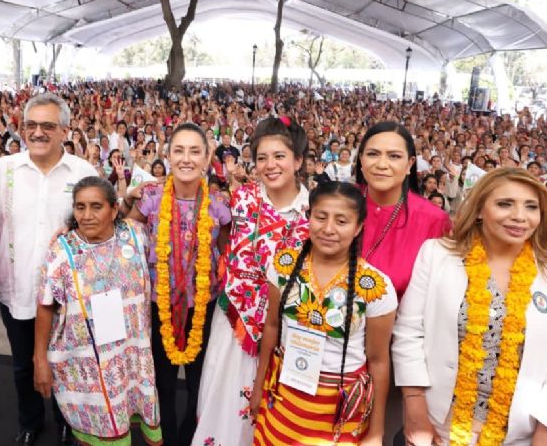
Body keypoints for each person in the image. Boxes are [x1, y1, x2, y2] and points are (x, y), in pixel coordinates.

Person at [392, 168, 547, 446]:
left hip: (516, 436)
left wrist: (545, 439)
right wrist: (415, 409)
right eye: (505, 204)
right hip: (438, 428)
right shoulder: (437, 255)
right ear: (479, 209)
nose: (519, 216)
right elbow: (408, 333)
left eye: (531, 207)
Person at [0, 94, 98, 446]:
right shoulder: (1, 170)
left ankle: (66, 420)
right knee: (22, 365)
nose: (39, 132)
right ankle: (29, 421)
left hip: (70, 296)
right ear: (21, 129)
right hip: (19, 290)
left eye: (48, 125)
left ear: (64, 130)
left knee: (69, 363)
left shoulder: (83, 172)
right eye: (32, 125)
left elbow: (103, 221)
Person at [250, 182, 397, 445]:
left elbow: (378, 361)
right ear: (309, 218)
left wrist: (376, 432)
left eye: (342, 221)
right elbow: (271, 327)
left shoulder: (376, 287)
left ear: (358, 227)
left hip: (339, 410)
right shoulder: (284, 265)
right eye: (320, 217)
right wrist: (259, 386)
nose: (328, 229)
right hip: (283, 398)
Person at [193, 117, 310, 446]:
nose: (270, 165)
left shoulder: (314, 210)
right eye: (261, 157)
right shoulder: (240, 199)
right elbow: (217, 235)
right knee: (222, 400)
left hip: (286, 328)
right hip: (233, 323)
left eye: (279, 156)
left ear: (298, 160)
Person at [124, 122, 232, 446]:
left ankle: (192, 435)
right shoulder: (151, 198)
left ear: (206, 157)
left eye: (194, 151)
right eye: (179, 150)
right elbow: (124, 234)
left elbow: (228, 250)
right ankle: (167, 438)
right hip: (161, 306)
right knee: (165, 384)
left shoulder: (218, 206)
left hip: (204, 305)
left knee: (200, 383)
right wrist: (124, 196)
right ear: (167, 155)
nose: (186, 159)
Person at [33, 177, 162, 445]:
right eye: (80, 207)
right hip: (84, 366)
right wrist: (40, 360)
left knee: (148, 428)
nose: (87, 216)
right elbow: (45, 306)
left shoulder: (136, 235)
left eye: (96, 206)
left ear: (114, 209)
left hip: (132, 359)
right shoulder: (62, 250)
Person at [353, 122, 451, 297]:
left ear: (410, 164)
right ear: (361, 159)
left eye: (394, 156)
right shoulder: (339, 201)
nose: (382, 164)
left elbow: (436, 294)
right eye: (373, 154)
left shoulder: (434, 220)